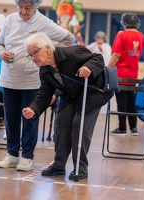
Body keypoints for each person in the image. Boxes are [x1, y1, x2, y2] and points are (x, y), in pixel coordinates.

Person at [0, 0, 75, 172]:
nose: (23, 11)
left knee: (30, 118)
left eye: (28, 8)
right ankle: (12, 154)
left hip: (32, 80)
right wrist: (2, 52)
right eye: (20, 7)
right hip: (9, 78)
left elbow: (70, 38)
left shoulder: (44, 22)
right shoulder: (9, 20)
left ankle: (27, 157)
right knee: (11, 118)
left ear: (36, 7)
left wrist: (48, 53)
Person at [22, 32, 113, 180]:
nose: (33, 58)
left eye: (34, 53)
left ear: (46, 48)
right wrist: (33, 109)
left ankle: (80, 168)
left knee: (79, 125)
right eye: (29, 55)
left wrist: (88, 67)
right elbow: (44, 95)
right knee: (62, 124)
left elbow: (98, 58)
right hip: (71, 95)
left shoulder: (71, 52)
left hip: (93, 92)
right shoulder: (44, 70)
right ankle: (58, 166)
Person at [108, 13, 144, 136]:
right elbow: (138, 54)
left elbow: (116, 55)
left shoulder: (122, 35)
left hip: (120, 74)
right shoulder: (141, 36)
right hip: (133, 74)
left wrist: (107, 68)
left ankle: (122, 128)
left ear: (124, 22)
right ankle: (134, 128)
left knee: (121, 102)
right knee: (131, 101)